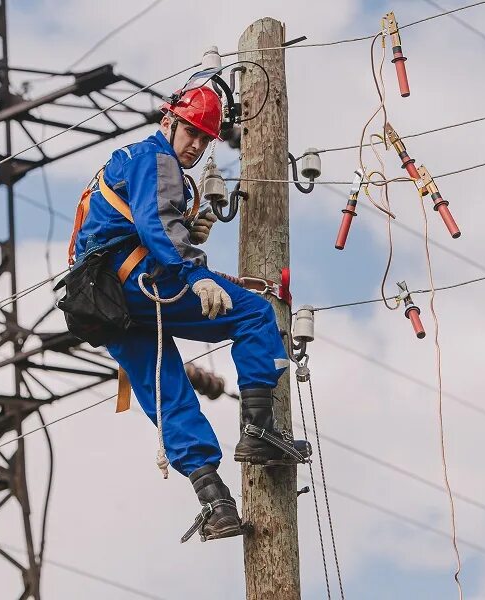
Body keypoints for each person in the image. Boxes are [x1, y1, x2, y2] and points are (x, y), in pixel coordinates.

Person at [70, 85, 309, 542]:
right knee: (256, 315)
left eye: (205, 137)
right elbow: (155, 224)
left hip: (102, 304)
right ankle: (259, 431)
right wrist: (193, 270)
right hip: (138, 283)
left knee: (167, 392)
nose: (196, 145)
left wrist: (184, 231)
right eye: (190, 132)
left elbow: (141, 220)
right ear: (168, 124)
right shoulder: (154, 157)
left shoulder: (128, 162)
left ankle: (215, 502)